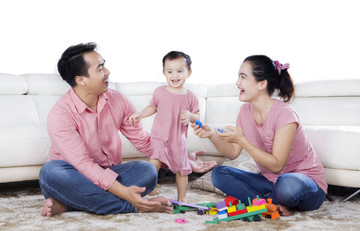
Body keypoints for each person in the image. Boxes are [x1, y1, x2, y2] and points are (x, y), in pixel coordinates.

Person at [39, 42, 174, 217]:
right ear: (81, 80)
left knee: (147, 170)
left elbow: (142, 140)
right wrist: (125, 194)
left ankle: (69, 206)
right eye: (100, 68)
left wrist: (178, 158)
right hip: (74, 176)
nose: (108, 72)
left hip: (110, 173)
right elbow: (83, 165)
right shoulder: (59, 115)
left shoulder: (118, 100)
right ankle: (135, 206)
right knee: (50, 172)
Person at [192, 55, 327, 216]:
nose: (237, 83)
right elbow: (232, 153)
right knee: (219, 174)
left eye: (243, 77)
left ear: (262, 84)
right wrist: (211, 135)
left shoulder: (285, 115)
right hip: (271, 182)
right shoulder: (245, 111)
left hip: (304, 183)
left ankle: (263, 201)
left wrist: (242, 140)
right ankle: (267, 205)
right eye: (238, 77)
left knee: (286, 186)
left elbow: (277, 165)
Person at [129, 51, 216, 201]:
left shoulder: (191, 97)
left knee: (182, 170)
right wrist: (140, 114)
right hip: (159, 136)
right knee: (155, 161)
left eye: (179, 71)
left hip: (178, 140)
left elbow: (197, 118)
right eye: (170, 71)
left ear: (188, 73)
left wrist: (191, 116)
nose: (174, 75)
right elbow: (153, 107)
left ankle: (182, 198)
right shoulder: (160, 92)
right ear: (164, 73)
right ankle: (149, 186)